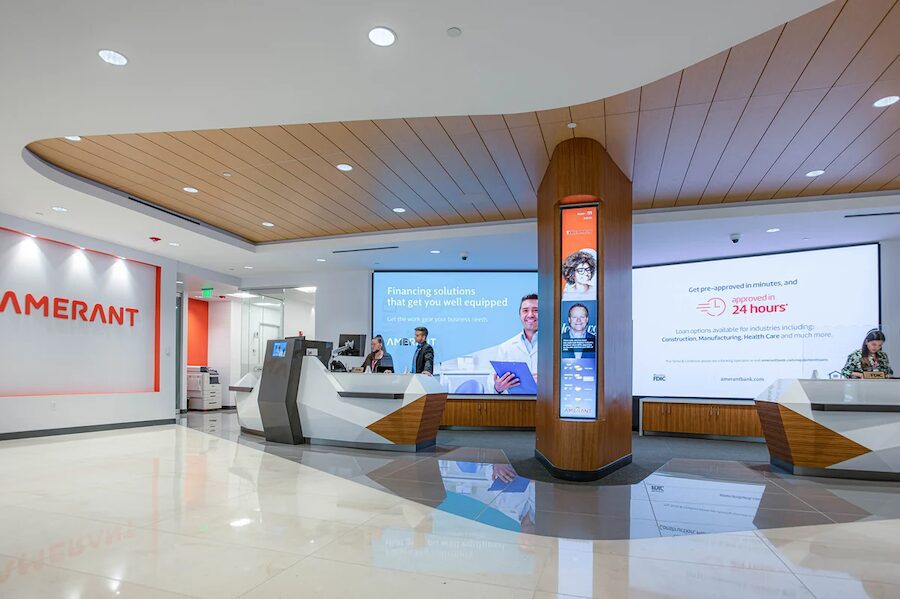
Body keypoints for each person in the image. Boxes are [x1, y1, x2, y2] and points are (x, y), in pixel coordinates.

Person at [492, 294, 539, 393]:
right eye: (525, 310)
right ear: (520, 315)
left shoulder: (556, 344)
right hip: (515, 405)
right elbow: (493, 378)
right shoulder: (506, 347)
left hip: (547, 403)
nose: (530, 315)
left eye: (536, 310)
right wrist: (497, 387)